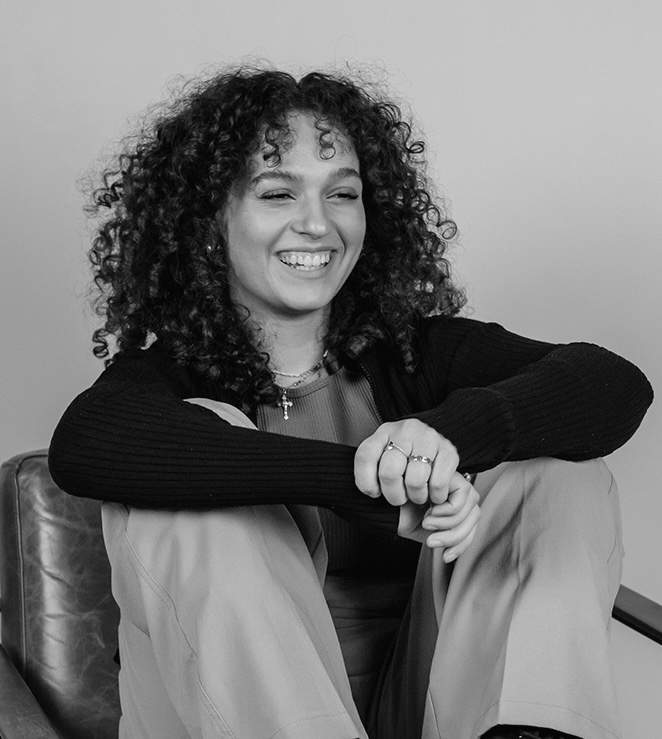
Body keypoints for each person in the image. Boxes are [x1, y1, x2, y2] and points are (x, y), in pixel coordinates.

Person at [49, 65, 653, 739]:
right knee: (198, 483)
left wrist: (445, 437)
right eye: (277, 193)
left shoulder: (416, 356)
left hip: (430, 711)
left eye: (342, 193)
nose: (317, 223)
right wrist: (360, 481)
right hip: (220, 719)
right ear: (210, 219)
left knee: (555, 468)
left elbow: (614, 383)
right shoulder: (164, 380)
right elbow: (84, 444)